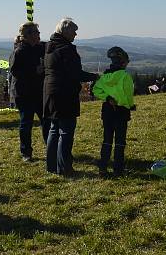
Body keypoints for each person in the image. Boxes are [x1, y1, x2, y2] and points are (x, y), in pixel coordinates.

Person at [43, 18, 98, 176]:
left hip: (50, 92)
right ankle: (65, 168)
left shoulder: (49, 46)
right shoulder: (66, 49)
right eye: (73, 30)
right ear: (65, 31)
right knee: (66, 131)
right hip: (64, 93)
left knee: (54, 130)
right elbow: (76, 73)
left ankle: (51, 166)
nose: (75, 33)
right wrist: (94, 77)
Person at [93, 47, 135, 176]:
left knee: (107, 139)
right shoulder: (125, 76)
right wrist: (131, 105)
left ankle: (103, 167)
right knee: (120, 141)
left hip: (107, 110)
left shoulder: (105, 76)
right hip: (121, 111)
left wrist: (107, 98)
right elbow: (128, 94)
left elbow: (96, 90)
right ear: (123, 62)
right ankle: (118, 169)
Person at [9, 21, 47, 162]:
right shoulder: (19, 51)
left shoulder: (39, 48)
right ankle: (26, 152)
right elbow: (15, 71)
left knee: (46, 120)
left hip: (38, 91)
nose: (39, 35)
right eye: (37, 33)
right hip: (24, 93)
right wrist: (34, 71)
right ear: (28, 35)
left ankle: (50, 147)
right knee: (26, 122)